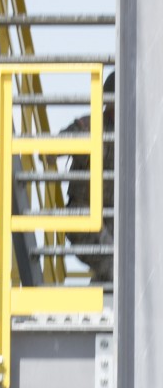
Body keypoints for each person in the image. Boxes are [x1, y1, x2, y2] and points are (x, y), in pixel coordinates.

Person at [61, 71, 115, 285]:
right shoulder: (91, 125)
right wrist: (78, 136)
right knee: (120, 265)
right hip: (83, 215)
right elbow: (49, 150)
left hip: (115, 221)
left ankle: (105, 299)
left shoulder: (139, 133)